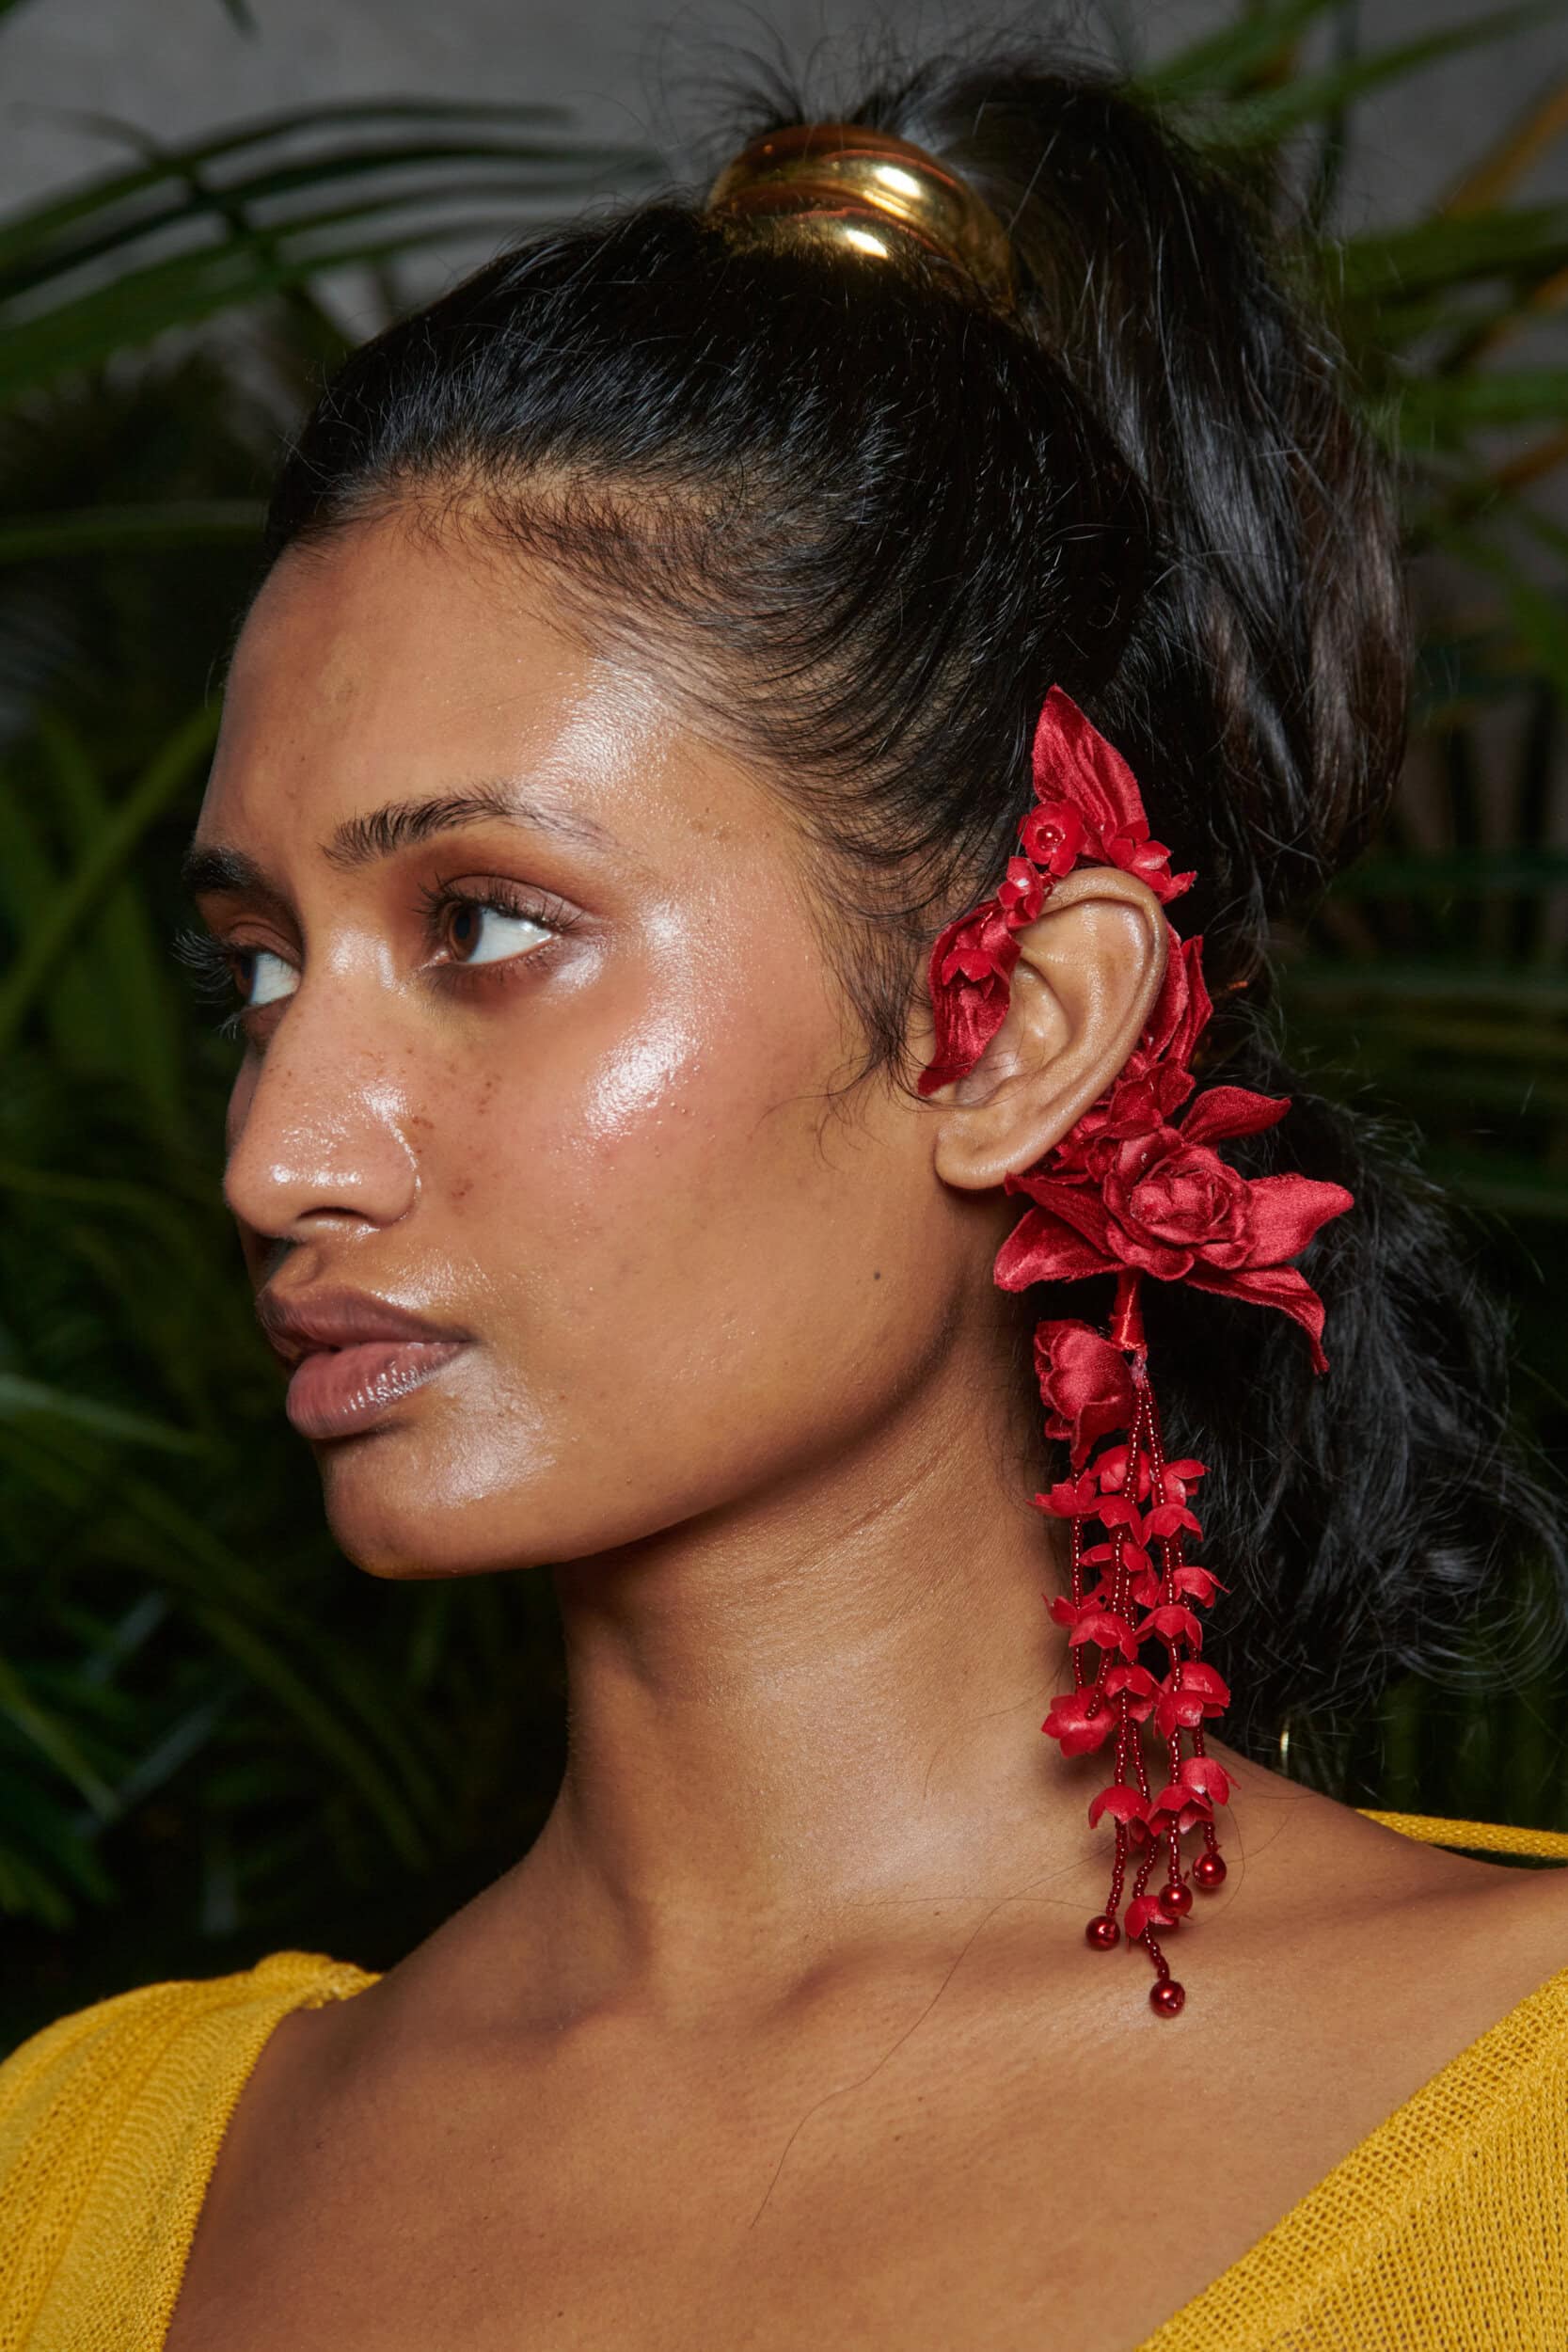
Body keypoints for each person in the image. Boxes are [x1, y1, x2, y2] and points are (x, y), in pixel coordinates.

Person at [3, 49, 1567, 2352]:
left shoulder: (1519, 2133)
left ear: (1018, 1024)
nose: (277, 1153)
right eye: (256, 969)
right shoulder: (70, 2178)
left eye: (488, 924)